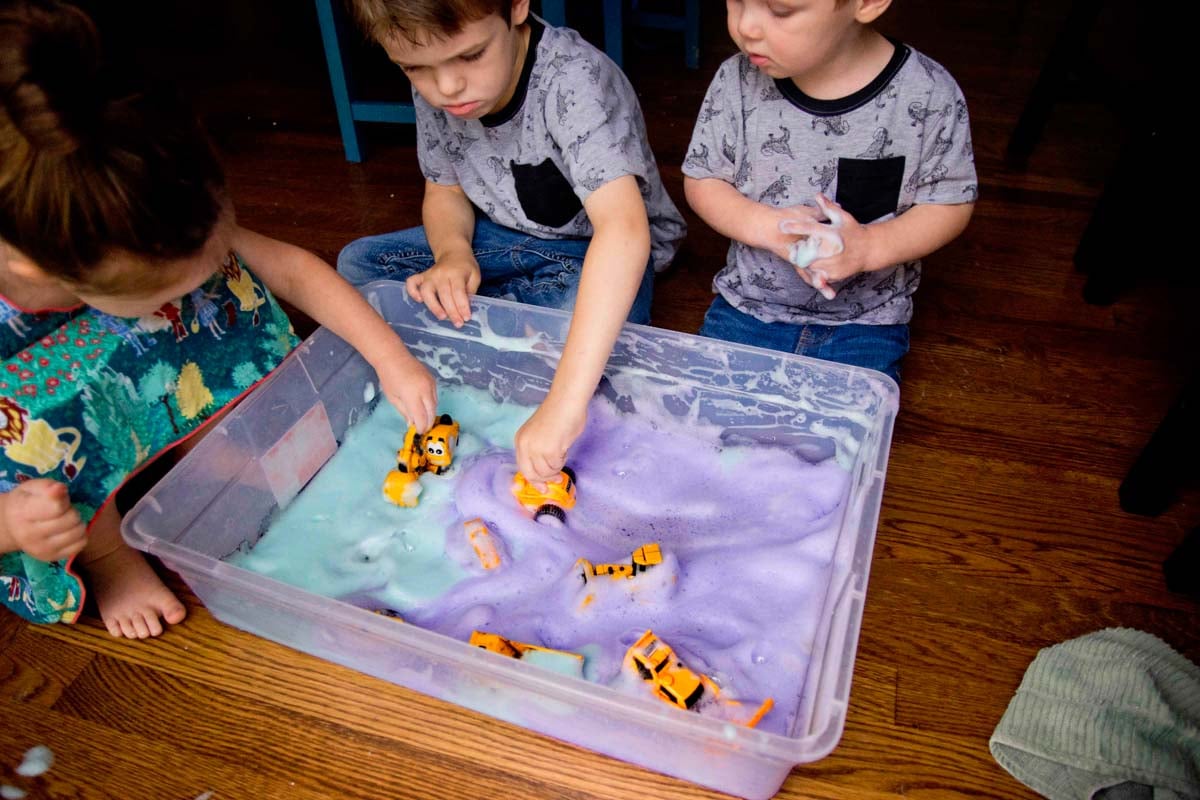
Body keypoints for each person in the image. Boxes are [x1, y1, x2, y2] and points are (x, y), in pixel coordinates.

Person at [0, 0, 437, 638]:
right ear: (42, 269)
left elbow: (290, 270)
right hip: (42, 455)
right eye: (162, 289)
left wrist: (390, 357)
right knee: (45, 430)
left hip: (129, 368)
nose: (203, 275)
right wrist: (12, 523)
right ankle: (108, 553)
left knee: (227, 291)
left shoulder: (127, 195)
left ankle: (208, 423)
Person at [336, 0, 686, 482]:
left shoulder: (571, 81)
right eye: (415, 69)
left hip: (600, 247)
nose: (447, 87)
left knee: (575, 335)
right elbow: (444, 190)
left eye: (471, 56)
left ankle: (510, 323)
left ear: (518, 6)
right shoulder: (439, 79)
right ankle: (516, 322)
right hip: (507, 236)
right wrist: (451, 252)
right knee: (358, 266)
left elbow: (624, 232)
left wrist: (565, 406)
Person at [682, 0, 977, 382]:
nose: (747, 27)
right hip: (748, 308)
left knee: (837, 435)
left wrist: (869, 246)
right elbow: (703, 179)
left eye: (781, 11)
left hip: (864, 322)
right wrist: (765, 226)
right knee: (702, 418)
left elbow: (949, 202)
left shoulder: (928, 94)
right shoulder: (736, 81)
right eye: (735, 1)